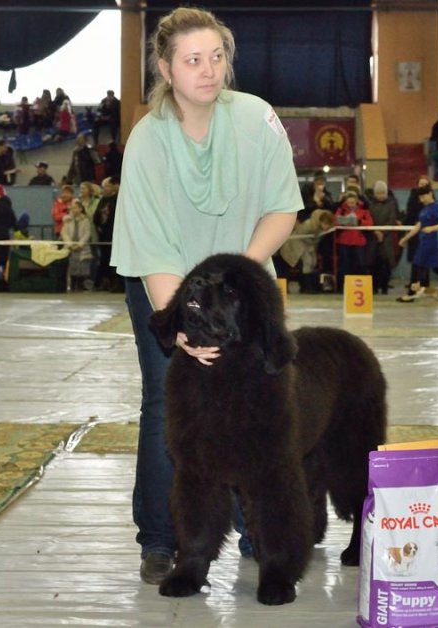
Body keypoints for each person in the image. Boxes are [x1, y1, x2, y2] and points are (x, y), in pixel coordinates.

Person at [110, 6, 301, 585]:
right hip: (165, 286)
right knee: (170, 408)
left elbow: (282, 208)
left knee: (259, 406)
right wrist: (186, 326)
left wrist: (237, 280)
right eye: (193, 60)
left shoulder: (259, 118)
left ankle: (257, 533)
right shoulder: (147, 140)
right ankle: (163, 539)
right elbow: (153, 241)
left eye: (217, 56)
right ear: (166, 69)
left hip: (242, 290)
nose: (209, 70)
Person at [397, 184, 438, 301]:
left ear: (430, 194)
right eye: (420, 198)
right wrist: (406, 238)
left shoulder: (435, 207)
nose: (421, 200)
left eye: (423, 197)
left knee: (419, 266)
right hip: (422, 241)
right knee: (420, 267)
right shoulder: (424, 209)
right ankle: (423, 291)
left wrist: (431, 228)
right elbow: (418, 225)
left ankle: (413, 292)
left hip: (430, 241)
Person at [334, 189, 373, 290]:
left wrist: (359, 222)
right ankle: (342, 286)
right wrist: (342, 222)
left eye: (353, 202)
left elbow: (369, 223)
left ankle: (360, 286)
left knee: (360, 263)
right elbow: (335, 222)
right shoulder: (340, 210)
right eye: (349, 202)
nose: (351, 204)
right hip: (343, 241)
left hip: (358, 241)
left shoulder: (364, 211)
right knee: (344, 264)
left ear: (356, 201)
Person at [366, 180, 399, 295]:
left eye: (382, 193)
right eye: (378, 193)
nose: (380, 196)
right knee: (373, 263)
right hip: (373, 237)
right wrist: (375, 231)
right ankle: (374, 287)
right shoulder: (370, 204)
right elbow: (368, 218)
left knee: (386, 264)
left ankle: (384, 287)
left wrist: (382, 232)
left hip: (387, 238)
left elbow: (391, 219)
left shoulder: (392, 204)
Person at [400, 174, 430, 298]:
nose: (422, 186)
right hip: (415, 233)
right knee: (415, 261)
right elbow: (410, 213)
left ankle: (423, 285)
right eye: (420, 184)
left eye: (425, 184)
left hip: (427, 234)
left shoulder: (432, 201)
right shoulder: (412, 197)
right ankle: (413, 285)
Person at [93, 176, 120, 291]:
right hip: (103, 235)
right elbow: (96, 217)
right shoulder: (103, 200)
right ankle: (103, 283)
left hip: (115, 235)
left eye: (108, 186)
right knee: (104, 259)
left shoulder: (118, 199)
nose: (105, 189)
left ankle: (116, 284)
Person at [61, 199, 94, 291]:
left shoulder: (86, 220)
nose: (74, 210)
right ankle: (72, 284)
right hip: (70, 247)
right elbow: (64, 233)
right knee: (71, 266)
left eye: (76, 208)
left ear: (80, 209)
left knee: (82, 266)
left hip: (82, 247)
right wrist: (70, 244)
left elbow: (87, 234)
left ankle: (80, 284)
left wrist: (80, 245)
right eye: (72, 208)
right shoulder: (67, 220)